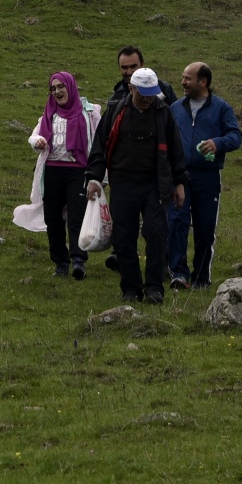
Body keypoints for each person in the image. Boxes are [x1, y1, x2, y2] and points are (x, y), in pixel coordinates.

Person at [85, 67, 187, 305]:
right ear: (131, 89)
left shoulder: (163, 113)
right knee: (124, 238)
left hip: (154, 183)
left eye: (152, 94)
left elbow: (176, 150)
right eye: (143, 94)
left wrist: (180, 183)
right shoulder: (115, 110)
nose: (148, 99)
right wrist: (94, 178)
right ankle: (131, 288)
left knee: (156, 232)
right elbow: (99, 146)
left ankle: (154, 288)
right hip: (123, 183)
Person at [168, 62, 242, 291]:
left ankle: (201, 278)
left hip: (208, 177)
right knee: (177, 223)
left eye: (188, 78)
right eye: (183, 77)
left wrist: (217, 143)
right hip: (180, 176)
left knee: (205, 226)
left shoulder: (221, 108)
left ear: (203, 82)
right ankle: (179, 274)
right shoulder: (175, 108)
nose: (183, 82)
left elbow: (236, 136)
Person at [27, 72, 102, 279]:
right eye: (53, 88)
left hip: (78, 170)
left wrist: (98, 175)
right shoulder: (48, 114)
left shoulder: (88, 113)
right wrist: (38, 142)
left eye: (61, 87)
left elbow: (98, 142)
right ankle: (60, 262)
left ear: (71, 86)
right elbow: (34, 136)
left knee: (77, 217)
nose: (58, 91)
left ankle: (79, 260)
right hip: (52, 171)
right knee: (53, 218)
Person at [106, 45, 177, 111]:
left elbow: (175, 116)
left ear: (142, 65)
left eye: (133, 66)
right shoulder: (116, 98)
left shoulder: (164, 89)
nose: (129, 72)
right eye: (124, 67)